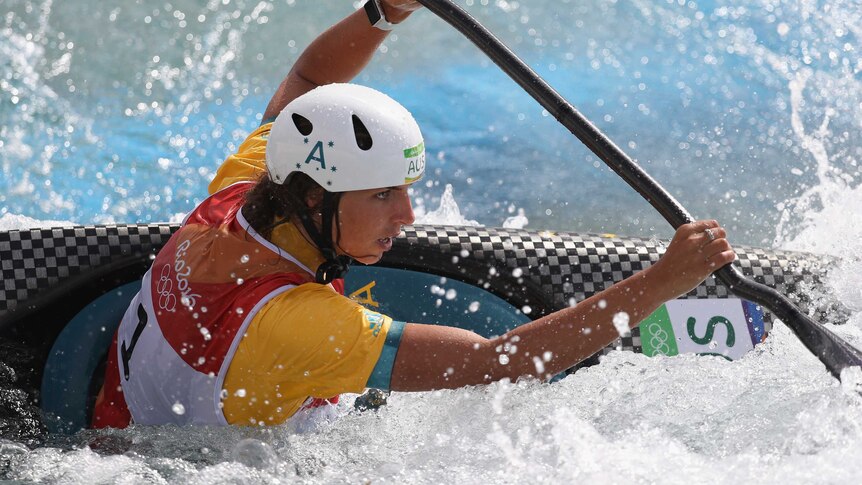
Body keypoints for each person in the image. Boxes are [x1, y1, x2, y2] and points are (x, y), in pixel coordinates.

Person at [92, 0, 735, 428]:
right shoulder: (297, 326)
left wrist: (383, 10)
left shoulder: (240, 194)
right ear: (315, 198)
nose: (408, 214)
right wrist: (665, 281)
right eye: (381, 195)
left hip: (126, 420)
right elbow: (499, 361)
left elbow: (310, 80)